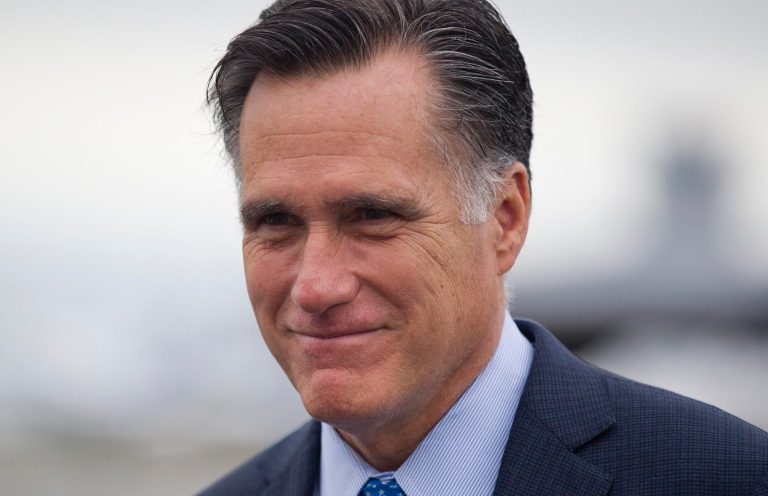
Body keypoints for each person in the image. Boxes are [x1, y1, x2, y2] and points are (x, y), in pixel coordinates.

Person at [200, 0, 768, 494]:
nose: (316, 286)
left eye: (372, 216)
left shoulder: (730, 476)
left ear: (506, 218)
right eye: (275, 222)